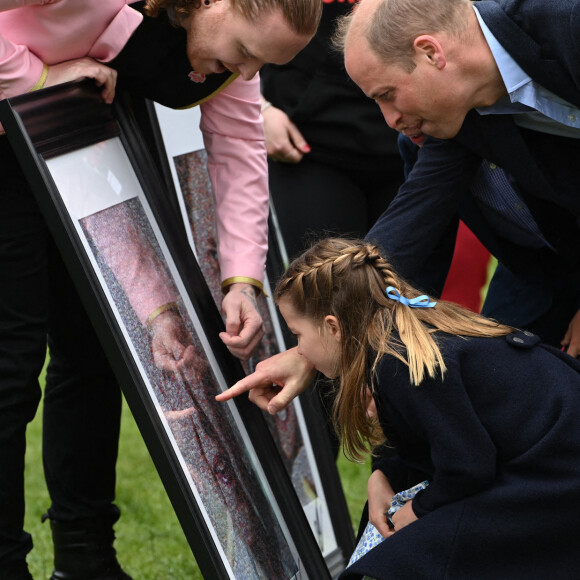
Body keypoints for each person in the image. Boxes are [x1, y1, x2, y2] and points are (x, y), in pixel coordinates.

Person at [0, 0, 320, 578]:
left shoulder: (227, 53)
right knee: (10, 366)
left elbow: (240, 146)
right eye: (245, 52)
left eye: (259, 66)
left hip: (72, 146)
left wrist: (241, 280)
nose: (244, 73)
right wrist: (40, 80)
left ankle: (86, 556)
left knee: (95, 348)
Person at [220, 237, 580, 578]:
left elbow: (469, 465)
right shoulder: (396, 340)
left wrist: (418, 510)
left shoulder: (399, 365)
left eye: (297, 335)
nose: (299, 351)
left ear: (333, 327)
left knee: (407, 554)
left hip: (556, 469)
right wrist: (386, 474)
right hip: (543, 450)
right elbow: (428, 442)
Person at [336, 0, 580, 355]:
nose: (389, 120)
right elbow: (412, 225)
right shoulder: (462, 112)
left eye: (387, 95)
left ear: (431, 53)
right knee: (500, 368)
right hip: (544, 272)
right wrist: (322, 333)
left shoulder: (568, 23)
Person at [259, 0, 404, 261]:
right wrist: (260, 107)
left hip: (412, 145)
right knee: (325, 293)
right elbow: (218, 17)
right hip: (308, 148)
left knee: (406, 295)